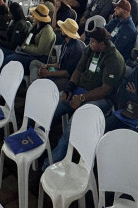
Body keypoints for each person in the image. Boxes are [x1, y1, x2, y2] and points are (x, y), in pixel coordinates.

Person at [46, 27, 125, 165]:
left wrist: (82, 98)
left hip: (102, 99)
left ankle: (54, 160)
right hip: (81, 90)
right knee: (53, 104)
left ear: (102, 43)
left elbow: (106, 89)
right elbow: (78, 70)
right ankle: (40, 139)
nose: (90, 43)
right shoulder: (90, 49)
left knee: (74, 122)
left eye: (93, 41)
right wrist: (69, 89)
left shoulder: (114, 58)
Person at [28, 17, 85, 87]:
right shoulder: (65, 42)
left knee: (45, 83)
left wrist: (48, 73)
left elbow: (67, 73)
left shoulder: (76, 49)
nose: (60, 29)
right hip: (59, 71)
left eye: (62, 28)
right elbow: (60, 64)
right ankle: (33, 86)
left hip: (67, 79)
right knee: (34, 63)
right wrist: (48, 65)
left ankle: (35, 87)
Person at [4, 3, 55, 70]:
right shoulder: (35, 25)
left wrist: (25, 47)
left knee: (10, 59)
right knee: (7, 55)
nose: (32, 15)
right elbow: (27, 40)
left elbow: (40, 51)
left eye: (34, 15)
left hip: (38, 59)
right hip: (29, 53)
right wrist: (25, 47)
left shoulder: (47, 31)